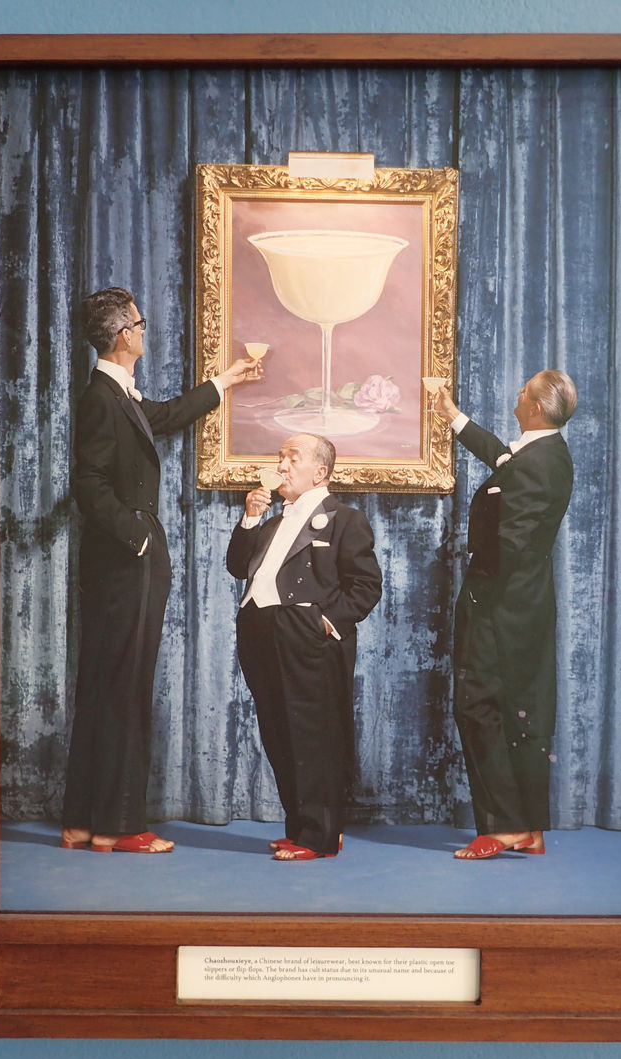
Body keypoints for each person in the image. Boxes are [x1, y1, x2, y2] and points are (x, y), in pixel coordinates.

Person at [61, 287, 256, 854]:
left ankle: (83, 822)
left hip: (119, 562)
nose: (145, 331)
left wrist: (226, 380)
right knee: (124, 689)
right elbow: (89, 484)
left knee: (106, 685)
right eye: (140, 325)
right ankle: (119, 826)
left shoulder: (114, 393)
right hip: (127, 560)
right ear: (125, 335)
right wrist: (139, 537)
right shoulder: (102, 398)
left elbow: (166, 416)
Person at [433, 370, 577, 860]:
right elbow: (502, 459)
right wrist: (453, 416)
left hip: (501, 606)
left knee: (478, 705)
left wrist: (477, 595)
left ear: (534, 407)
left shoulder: (540, 462)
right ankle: (530, 828)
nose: (517, 393)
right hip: (521, 604)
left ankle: (506, 826)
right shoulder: (542, 453)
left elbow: (510, 545)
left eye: (524, 390)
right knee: (522, 712)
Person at [227, 433, 382, 861]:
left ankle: (319, 836)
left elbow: (366, 586)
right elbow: (237, 566)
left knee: (312, 737)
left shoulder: (345, 519)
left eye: (292, 458)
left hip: (306, 635)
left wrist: (323, 623)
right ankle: (301, 829)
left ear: (320, 471)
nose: (281, 465)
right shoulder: (271, 522)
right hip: (261, 632)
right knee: (279, 733)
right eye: (280, 457)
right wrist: (250, 518)